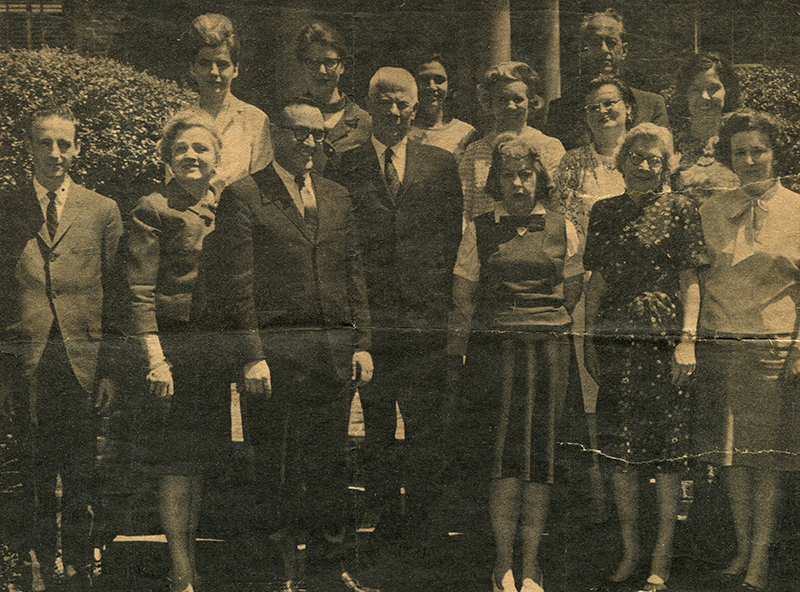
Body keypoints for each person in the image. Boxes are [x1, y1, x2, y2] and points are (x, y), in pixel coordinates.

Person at [210, 96, 373, 592]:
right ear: (276, 136)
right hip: (275, 362)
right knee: (275, 470)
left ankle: (329, 571)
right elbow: (237, 285)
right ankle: (278, 575)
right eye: (299, 133)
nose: (309, 143)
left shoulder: (337, 195)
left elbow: (354, 274)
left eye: (317, 135)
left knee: (330, 468)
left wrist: (362, 343)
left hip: (331, 359)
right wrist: (251, 355)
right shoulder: (243, 196)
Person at [326, 67, 463, 548]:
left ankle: (427, 529)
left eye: (402, 101)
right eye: (383, 101)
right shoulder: (345, 164)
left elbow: (452, 243)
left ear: (417, 104)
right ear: (368, 104)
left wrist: (447, 317)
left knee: (428, 426)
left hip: (426, 323)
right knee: (378, 426)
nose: (393, 111)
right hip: (374, 323)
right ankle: (383, 523)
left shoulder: (442, 164)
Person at [449, 133, 582, 592]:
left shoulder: (563, 226)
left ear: (539, 177)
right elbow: (463, 295)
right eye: (509, 175)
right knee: (504, 460)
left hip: (548, 353)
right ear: (496, 180)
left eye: (526, 174)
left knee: (539, 459)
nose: (519, 184)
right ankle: (503, 563)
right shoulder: (480, 228)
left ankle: (532, 566)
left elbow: (571, 291)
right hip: (496, 355)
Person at [0, 104, 123, 591]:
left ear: (77, 148)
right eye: (44, 143)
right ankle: (30, 563)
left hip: (82, 360)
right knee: (28, 466)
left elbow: (115, 296)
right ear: (28, 147)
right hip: (25, 360)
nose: (55, 153)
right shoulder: (6, 207)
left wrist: (112, 371)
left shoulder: (102, 209)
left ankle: (76, 565)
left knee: (79, 467)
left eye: (64, 144)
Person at [583, 123, 708, 592]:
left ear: (667, 164)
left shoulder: (682, 209)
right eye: (636, 156)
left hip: (665, 344)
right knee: (621, 454)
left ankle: (662, 554)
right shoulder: (605, 212)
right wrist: (588, 339)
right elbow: (597, 282)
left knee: (668, 455)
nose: (644, 165)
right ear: (622, 160)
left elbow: (689, 280)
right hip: (618, 344)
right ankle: (631, 550)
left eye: (655, 159)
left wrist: (687, 340)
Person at [695, 110, 800, 592]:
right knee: (732, 456)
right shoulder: (711, 209)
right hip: (720, 346)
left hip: (771, 351)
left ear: (776, 153)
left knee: (767, 459)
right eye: (740, 152)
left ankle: (759, 558)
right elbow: (698, 278)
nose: (751, 160)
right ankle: (741, 549)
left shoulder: (797, 210)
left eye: (759, 150)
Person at [124, 110, 224, 592]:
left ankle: (189, 558)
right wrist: (155, 358)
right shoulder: (152, 208)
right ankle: (181, 567)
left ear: (216, 159)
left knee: (200, 458)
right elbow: (139, 290)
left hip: (213, 352)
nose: (191, 155)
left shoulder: (225, 205)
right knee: (178, 461)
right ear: (167, 157)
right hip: (173, 352)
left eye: (201, 148)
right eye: (181, 148)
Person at [554, 74, 631, 520]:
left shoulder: (645, 154)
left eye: (610, 104)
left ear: (626, 108)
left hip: (637, 292)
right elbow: (565, 227)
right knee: (588, 390)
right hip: (586, 286)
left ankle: (627, 507)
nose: (602, 113)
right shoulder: (571, 162)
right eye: (593, 107)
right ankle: (597, 504)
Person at [544, 8, 668, 151]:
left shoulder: (651, 105)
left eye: (611, 43)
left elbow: (663, 157)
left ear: (624, 50)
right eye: (595, 43)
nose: (604, 49)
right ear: (584, 51)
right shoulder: (562, 110)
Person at [460, 62, 565, 223]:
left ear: (530, 102)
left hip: (537, 239)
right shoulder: (475, 151)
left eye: (518, 99)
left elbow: (559, 204)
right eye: (502, 100)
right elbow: (465, 208)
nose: (510, 106)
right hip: (486, 240)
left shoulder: (550, 146)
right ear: (490, 103)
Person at [183, 13, 272, 191]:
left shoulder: (255, 121)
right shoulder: (182, 122)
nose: (214, 72)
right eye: (204, 63)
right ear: (192, 68)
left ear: (236, 69)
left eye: (222, 64)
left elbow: (262, 186)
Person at [296, 21, 371, 172]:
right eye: (312, 62)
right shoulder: (290, 117)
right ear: (302, 65)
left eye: (330, 62)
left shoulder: (365, 122)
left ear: (342, 66)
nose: (322, 71)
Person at [670, 51, 740, 206]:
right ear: (685, 94)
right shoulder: (671, 145)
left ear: (727, 91)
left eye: (713, 88)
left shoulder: (738, 143)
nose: (705, 97)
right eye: (695, 90)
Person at [408, 52, 478, 161]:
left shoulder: (466, 133)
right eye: (424, 80)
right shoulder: (402, 130)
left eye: (439, 80)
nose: (431, 87)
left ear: (450, 86)